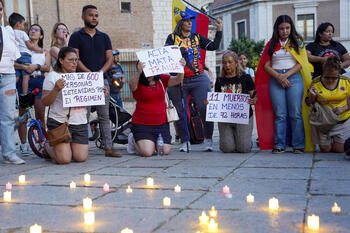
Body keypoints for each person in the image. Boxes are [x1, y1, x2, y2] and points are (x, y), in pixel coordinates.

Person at [165, 11, 222, 152]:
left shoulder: (196, 37)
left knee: (204, 108)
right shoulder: (171, 38)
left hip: (199, 77)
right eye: (186, 21)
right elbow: (166, 58)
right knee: (180, 111)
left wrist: (219, 30)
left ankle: (208, 140)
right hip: (180, 79)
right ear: (180, 23)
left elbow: (214, 46)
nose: (190, 23)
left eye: (191, 20)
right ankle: (185, 141)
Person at [69, 4, 121, 157]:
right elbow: (75, 57)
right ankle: (81, 146)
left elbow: (110, 57)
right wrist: (89, 73)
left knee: (104, 115)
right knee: (82, 115)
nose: (94, 18)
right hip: (83, 81)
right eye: (91, 15)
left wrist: (99, 73)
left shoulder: (104, 37)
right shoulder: (76, 36)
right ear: (83, 17)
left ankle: (108, 147)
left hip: (101, 81)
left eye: (96, 15)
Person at [255, 15, 313, 154]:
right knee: (279, 114)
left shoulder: (297, 42)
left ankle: (298, 145)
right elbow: (266, 65)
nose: (285, 31)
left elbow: (301, 64)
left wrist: (285, 76)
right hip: (275, 78)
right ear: (277, 29)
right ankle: (279, 144)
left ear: (291, 28)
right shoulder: (271, 43)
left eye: (287, 28)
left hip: (294, 78)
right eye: (281, 28)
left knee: (295, 113)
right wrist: (279, 77)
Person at [127, 59, 185, 157]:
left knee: (165, 151)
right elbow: (132, 86)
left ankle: (149, 143)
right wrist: (139, 72)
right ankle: (133, 139)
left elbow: (178, 80)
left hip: (161, 123)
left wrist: (181, 68)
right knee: (147, 153)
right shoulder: (138, 81)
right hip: (142, 124)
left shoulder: (162, 79)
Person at [41, 47, 88, 164]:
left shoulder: (81, 78)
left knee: (80, 158)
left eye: (76, 60)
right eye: (71, 60)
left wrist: (99, 91)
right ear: (61, 60)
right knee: (64, 160)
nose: (75, 63)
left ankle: (67, 147)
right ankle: (47, 146)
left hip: (79, 122)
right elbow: (45, 102)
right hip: (59, 121)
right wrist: (56, 89)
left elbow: (88, 98)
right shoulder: (52, 76)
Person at [14, 24, 51, 155]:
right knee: (23, 114)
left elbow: (47, 67)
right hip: (25, 81)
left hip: (39, 81)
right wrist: (24, 68)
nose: (32, 31)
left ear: (41, 35)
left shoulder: (44, 51)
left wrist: (35, 66)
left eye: (36, 30)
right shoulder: (20, 49)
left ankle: (42, 143)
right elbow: (12, 63)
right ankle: (24, 144)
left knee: (40, 114)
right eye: (31, 29)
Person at [306, 56, 350, 153]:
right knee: (326, 150)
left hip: (342, 120)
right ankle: (328, 141)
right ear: (323, 72)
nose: (330, 80)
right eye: (327, 77)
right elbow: (308, 103)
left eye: (334, 78)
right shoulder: (316, 82)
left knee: (339, 150)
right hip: (323, 122)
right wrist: (312, 97)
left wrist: (344, 108)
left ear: (339, 73)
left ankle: (337, 140)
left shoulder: (346, 81)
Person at [215, 51, 257, 153]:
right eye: (224, 63)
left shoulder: (245, 77)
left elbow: (254, 94)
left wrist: (254, 99)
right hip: (225, 118)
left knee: (243, 148)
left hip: (243, 117)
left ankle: (245, 140)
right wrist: (209, 102)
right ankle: (231, 137)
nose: (227, 65)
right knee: (227, 149)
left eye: (230, 62)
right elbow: (216, 98)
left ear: (236, 63)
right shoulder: (220, 80)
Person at [0, 0, 25, 164]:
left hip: (7, 76)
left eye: (0, 9)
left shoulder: (7, 31)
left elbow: (15, 56)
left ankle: (9, 153)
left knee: (8, 116)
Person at [9, 13, 42, 96]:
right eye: (23, 24)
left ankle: (9, 90)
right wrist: (38, 50)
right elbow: (29, 46)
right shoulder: (23, 33)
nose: (24, 27)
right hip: (25, 55)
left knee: (16, 76)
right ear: (18, 24)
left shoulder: (9, 33)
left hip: (15, 55)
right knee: (25, 77)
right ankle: (25, 94)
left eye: (36, 30)